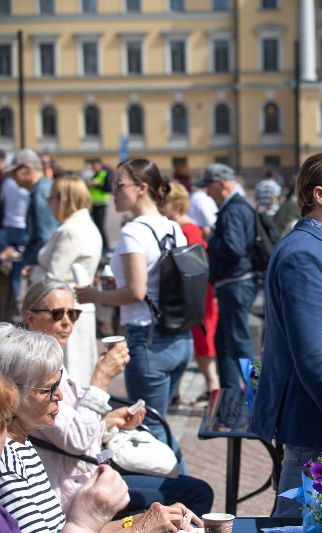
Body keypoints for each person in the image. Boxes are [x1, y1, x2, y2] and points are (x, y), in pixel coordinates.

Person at [24, 280, 214, 518]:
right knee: (195, 492)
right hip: (75, 489)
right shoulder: (35, 372)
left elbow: (70, 428)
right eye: (57, 314)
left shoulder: (51, 361)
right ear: (30, 317)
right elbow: (75, 440)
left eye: (73, 314)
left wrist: (110, 420)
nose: (67, 322)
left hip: (89, 470)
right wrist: (101, 378)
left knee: (184, 483)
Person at [0, 323, 203, 533]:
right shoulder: (7, 459)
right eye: (48, 389)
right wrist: (141, 528)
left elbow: (61, 528)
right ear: (11, 394)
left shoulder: (22, 447)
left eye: (59, 383)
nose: (59, 395)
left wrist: (146, 519)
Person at [252, 153, 322, 519]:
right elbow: (312, 354)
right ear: (319, 194)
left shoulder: (320, 246)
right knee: (301, 524)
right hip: (318, 426)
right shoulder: (305, 254)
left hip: (319, 423)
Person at [75, 159, 193, 455]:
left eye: (119, 185)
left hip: (147, 339)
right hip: (179, 337)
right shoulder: (173, 227)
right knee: (159, 424)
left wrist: (94, 294)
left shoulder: (133, 232)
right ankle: (183, 491)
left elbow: (136, 292)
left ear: (142, 188)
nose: (112, 191)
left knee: (150, 429)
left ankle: (185, 492)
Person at [27, 176, 102, 385]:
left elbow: (55, 279)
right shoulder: (84, 225)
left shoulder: (70, 231)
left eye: (51, 198)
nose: (48, 203)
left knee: (70, 375)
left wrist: (34, 273)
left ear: (63, 199)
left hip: (65, 312)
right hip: (77, 308)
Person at [197, 163, 257, 390]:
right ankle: (230, 396)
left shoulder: (233, 209)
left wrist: (210, 238)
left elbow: (234, 248)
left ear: (221, 185)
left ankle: (259, 393)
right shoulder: (236, 207)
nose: (206, 192)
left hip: (236, 283)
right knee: (224, 343)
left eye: (208, 187)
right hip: (233, 284)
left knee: (241, 343)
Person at [161, 181, 220, 401]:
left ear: (176, 203)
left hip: (196, 294)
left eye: (164, 201)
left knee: (203, 340)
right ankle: (177, 390)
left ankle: (213, 388)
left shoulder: (189, 229)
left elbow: (195, 267)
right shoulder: (180, 227)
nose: (160, 206)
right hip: (187, 293)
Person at [4, 149, 58, 272]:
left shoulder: (41, 193)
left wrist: (31, 264)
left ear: (27, 170)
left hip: (42, 267)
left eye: (14, 173)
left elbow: (45, 237)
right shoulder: (42, 189)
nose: (12, 178)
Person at [0, 160, 30, 313]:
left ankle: (10, 302)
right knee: (20, 267)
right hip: (23, 228)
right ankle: (17, 303)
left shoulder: (6, 183)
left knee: (5, 267)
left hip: (7, 227)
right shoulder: (26, 187)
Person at [87, 158, 114, 252]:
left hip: (102, 204)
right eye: (92, 166)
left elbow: (108, 188)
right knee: (96, 226)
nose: (94, 167)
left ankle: (106, 247)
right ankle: (100, 246)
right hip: (93, 204)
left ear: (100, 165)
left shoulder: (104, 174)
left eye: (95, 165)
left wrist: (96, 185)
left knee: (101, 226)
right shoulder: (93, 176)